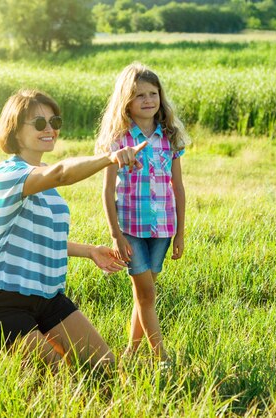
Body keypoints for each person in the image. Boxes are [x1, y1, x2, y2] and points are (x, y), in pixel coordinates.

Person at [0, 89, 147, 371]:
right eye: (39, 123)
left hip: (48, 297)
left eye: (55, 122)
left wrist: (89, 251)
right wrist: (110, 158)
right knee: (54, 375)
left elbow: (45, 238)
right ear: (15, 130)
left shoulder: (47, 184)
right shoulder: (7, 175)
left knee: (104, 367)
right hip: (4, 299)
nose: (50, 129)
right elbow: (62, 172)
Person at [95, 62, 189, 365]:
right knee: (147, 295)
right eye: (139, 95)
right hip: (130, 229)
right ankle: (161, 357)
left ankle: (131, 351)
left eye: (153, 93)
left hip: (162, 228)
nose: (148, 100)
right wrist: (115, 234)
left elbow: (178, 188)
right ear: (126, 101)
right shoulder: (119, 140)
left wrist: (180, 233)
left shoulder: (169, 138)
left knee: (144, 296)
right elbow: (107, 191)